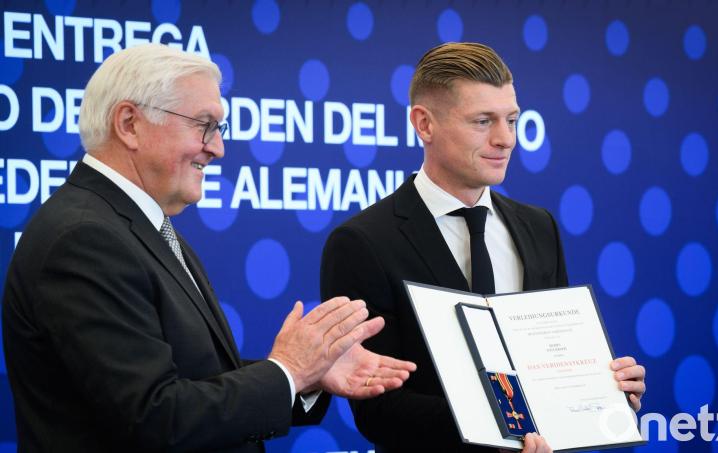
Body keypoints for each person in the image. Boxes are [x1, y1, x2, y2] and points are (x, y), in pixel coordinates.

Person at [1, 43, 415, 452]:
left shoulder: (135, 226)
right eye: (204, 124)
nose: (218, 148)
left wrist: (307, 374)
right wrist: (287, 371)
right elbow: (156, 418)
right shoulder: (85, 240)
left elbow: (190, 382)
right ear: (129, 124)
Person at [320, 42, 646, 453]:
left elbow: (554, 358)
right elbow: (378, 408)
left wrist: (606, 388)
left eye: (512, 119)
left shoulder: (538, 227)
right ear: (424, 124)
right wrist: (507, 427)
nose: (505, 139)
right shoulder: (363, 242)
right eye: (482, 121)